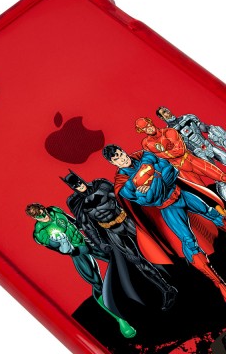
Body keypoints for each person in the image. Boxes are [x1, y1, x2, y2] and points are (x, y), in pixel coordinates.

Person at [103, 144, 226, 301]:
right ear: (113, 163)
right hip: (169, 208)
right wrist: (157, 175)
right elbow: (148, 200)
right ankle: (219, 283)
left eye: (121, 154)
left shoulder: (143, 155)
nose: (122, 159)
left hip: (181, 194)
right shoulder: (122, 184)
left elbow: (171, 170)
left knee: (213, 214)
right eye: (117, 159)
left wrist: (150, 183)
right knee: (189, 242)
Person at [61, 171, 177, 311]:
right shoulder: (76, 203)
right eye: (75, 186)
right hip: (112, 231)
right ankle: (167, 289)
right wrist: (99, 243)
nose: (79, 186)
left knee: (155, 246)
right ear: (71, 188)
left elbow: (123, 197)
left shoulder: (101, 185)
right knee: (137, 260)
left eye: (79, 182)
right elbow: (87, 226)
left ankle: (181, 272)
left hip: (128, 222)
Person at [25, 203, 136, 338]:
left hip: (86, 242)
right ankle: (120, 319)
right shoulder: (40, 232)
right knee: (97, 284)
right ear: (35, 218)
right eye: (41, 216)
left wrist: (85, 224)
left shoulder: (53, 210)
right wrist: (64, 246)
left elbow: (73, 223)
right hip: (77, 253)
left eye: (44, 212)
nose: (45, 216)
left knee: (119, 257)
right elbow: (56, 248)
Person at [135, 117, 226, 201]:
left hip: (190, 160)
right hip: (180, 171)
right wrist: (168, 151)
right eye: (145, 128)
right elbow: (155, 158)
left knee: (221, 177)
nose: (149, 128)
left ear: (151, 122)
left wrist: (161, 153)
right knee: (205, 194)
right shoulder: (146, 143)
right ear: (141, 131)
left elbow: (179, 151)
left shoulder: (169, 132)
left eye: (148, 125)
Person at [156, 106, 226, 166]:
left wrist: (215, 133)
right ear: (161, 118)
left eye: (167, 110)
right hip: (198, 153)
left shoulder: (187, 117)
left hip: (207, 144)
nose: (167, 112)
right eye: (164, 112)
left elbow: (204, 128)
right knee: (215, 172)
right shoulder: (168, 133)